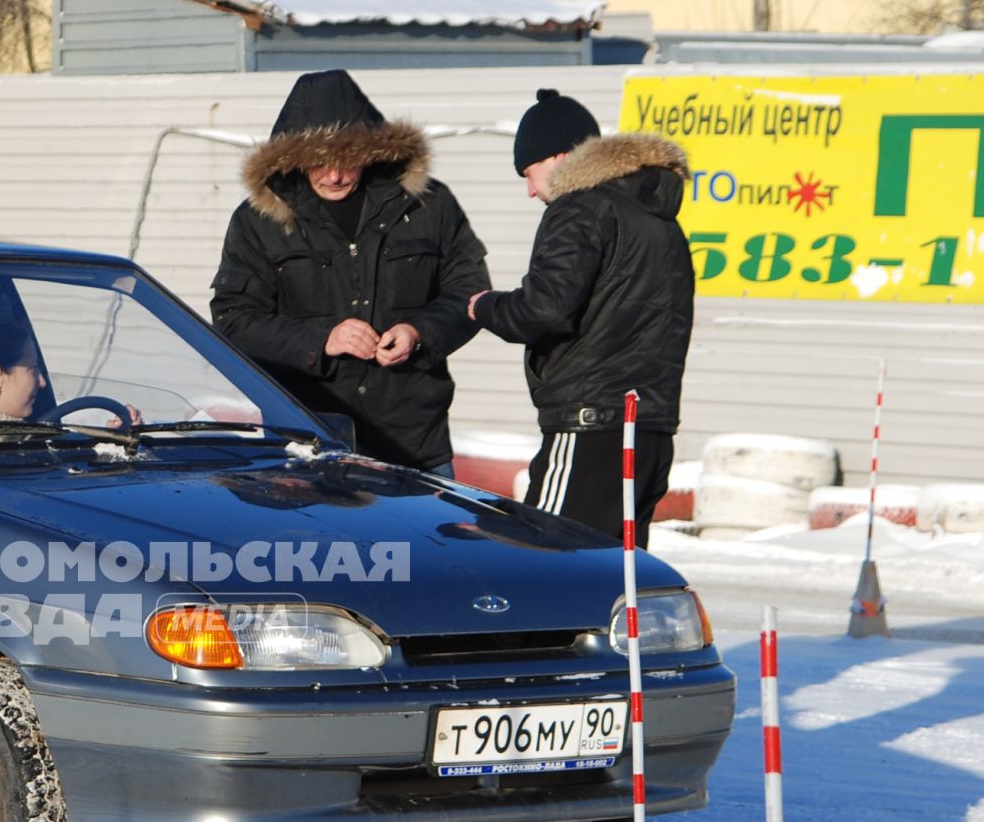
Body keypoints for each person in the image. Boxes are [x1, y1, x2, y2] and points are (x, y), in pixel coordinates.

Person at [211, 69, 491, 476]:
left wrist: (419, 333)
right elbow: (233, 320)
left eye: (347, 160)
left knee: (424, 542)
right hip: (308, 442)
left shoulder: (429, 205)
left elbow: (470, 292)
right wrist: (323, 339)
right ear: (292, 158)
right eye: (319, 162)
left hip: (413, 441)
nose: (336, 175)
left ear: (371, 151)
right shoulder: (258, 222)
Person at [467, 89, 693, 546]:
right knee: (617, 576)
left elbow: (543, 309)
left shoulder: (580, 207)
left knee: (542, 561)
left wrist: (484, 306)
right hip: (649, 430)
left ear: (559, 156)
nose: (531, 190)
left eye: (528, 173)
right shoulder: (661, 222)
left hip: (590, 427)